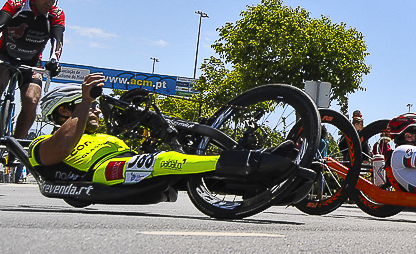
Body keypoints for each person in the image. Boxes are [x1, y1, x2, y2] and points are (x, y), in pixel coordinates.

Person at [29, 74, 303, 194]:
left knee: (196, 169)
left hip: (127, 166)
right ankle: (258, 160)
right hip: (102, 172)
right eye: (90, 105)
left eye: (94, 105)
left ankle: (267, 176)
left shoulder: (102, 136)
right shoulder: (42, 142)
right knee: (164, 160)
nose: (97, 110)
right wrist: (85, 102)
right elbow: (57, 152)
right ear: (63, 111)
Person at [0, 0, 68, 138]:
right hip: (5, 55)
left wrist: (54, 59)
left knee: (32, 100)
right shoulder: (16, 4)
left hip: (32, 61)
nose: (50, 2)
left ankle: (16, 144)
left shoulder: (56, 14)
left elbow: (57, 39)